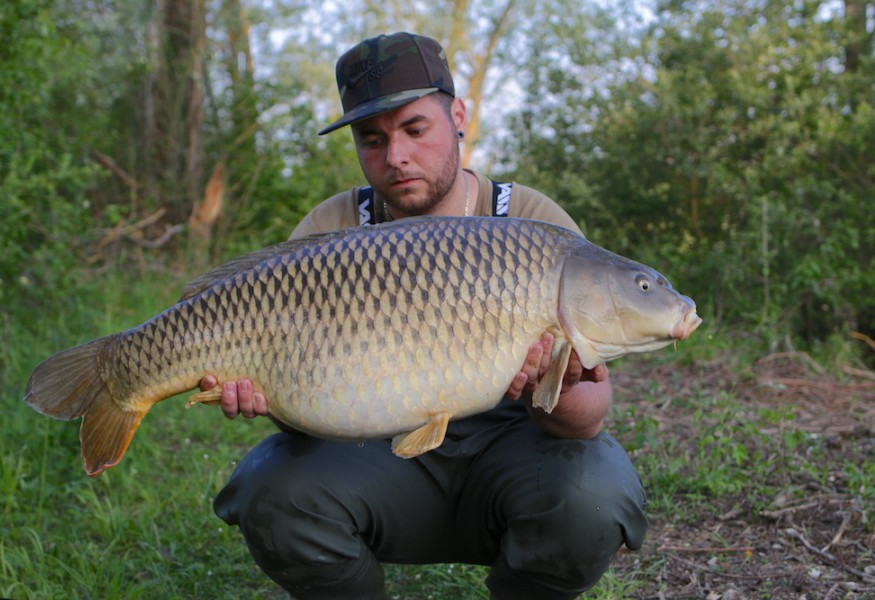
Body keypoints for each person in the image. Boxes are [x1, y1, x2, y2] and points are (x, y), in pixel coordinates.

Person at [205, 32, 647, 599]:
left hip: (512, 453)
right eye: (371, 139)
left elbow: (586, 420)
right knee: (273, 488)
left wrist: (555, 383)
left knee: (595, 494)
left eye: (415, 130)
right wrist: (269, 393)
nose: (396, 157)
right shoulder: (330, 231)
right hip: (376, 457)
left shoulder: (533, 226)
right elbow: (302, 422)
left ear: (457, 115)